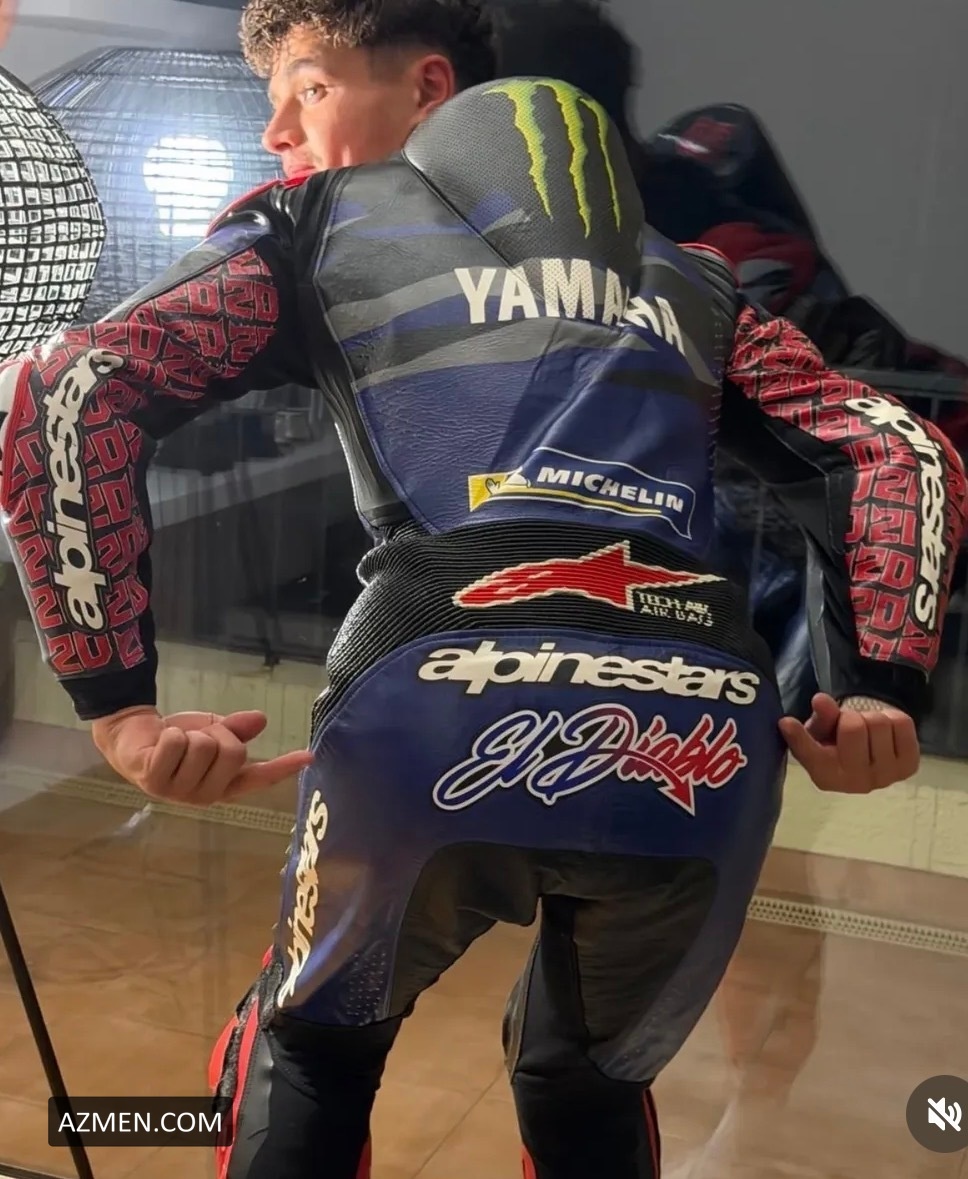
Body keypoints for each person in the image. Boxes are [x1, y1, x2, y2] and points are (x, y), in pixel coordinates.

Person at [0, 1, 964, 1176]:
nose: (274, 134)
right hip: (699, 720)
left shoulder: (313, 223)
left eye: (305, 89)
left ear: (425, 87)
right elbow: (898, 454)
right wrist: (878, 687)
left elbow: (71, 389)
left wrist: (115, 705)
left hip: (427, 689)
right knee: (586, 1088)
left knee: (310, 1057)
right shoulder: (696, 281)